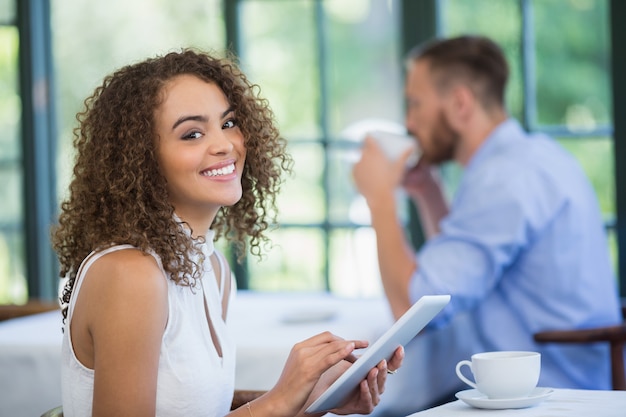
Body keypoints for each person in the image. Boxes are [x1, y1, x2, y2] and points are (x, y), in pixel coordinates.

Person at [51, 49, 403, 417]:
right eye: (192, 134)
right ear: (141, 159)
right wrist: (279, 399)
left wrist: (312, 401)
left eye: (229, 123)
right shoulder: (130, 273)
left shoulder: (212, 269)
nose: (224, 145)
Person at [352, 35, 621, 390]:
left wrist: (379, 198)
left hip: (546, 394)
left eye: (416, 104)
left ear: (461, 104)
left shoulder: (503, 180)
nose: (410, 122)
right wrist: (428, 193)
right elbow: (460, 276)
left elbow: (414, 310)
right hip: (571, 377)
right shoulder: (533, 156)